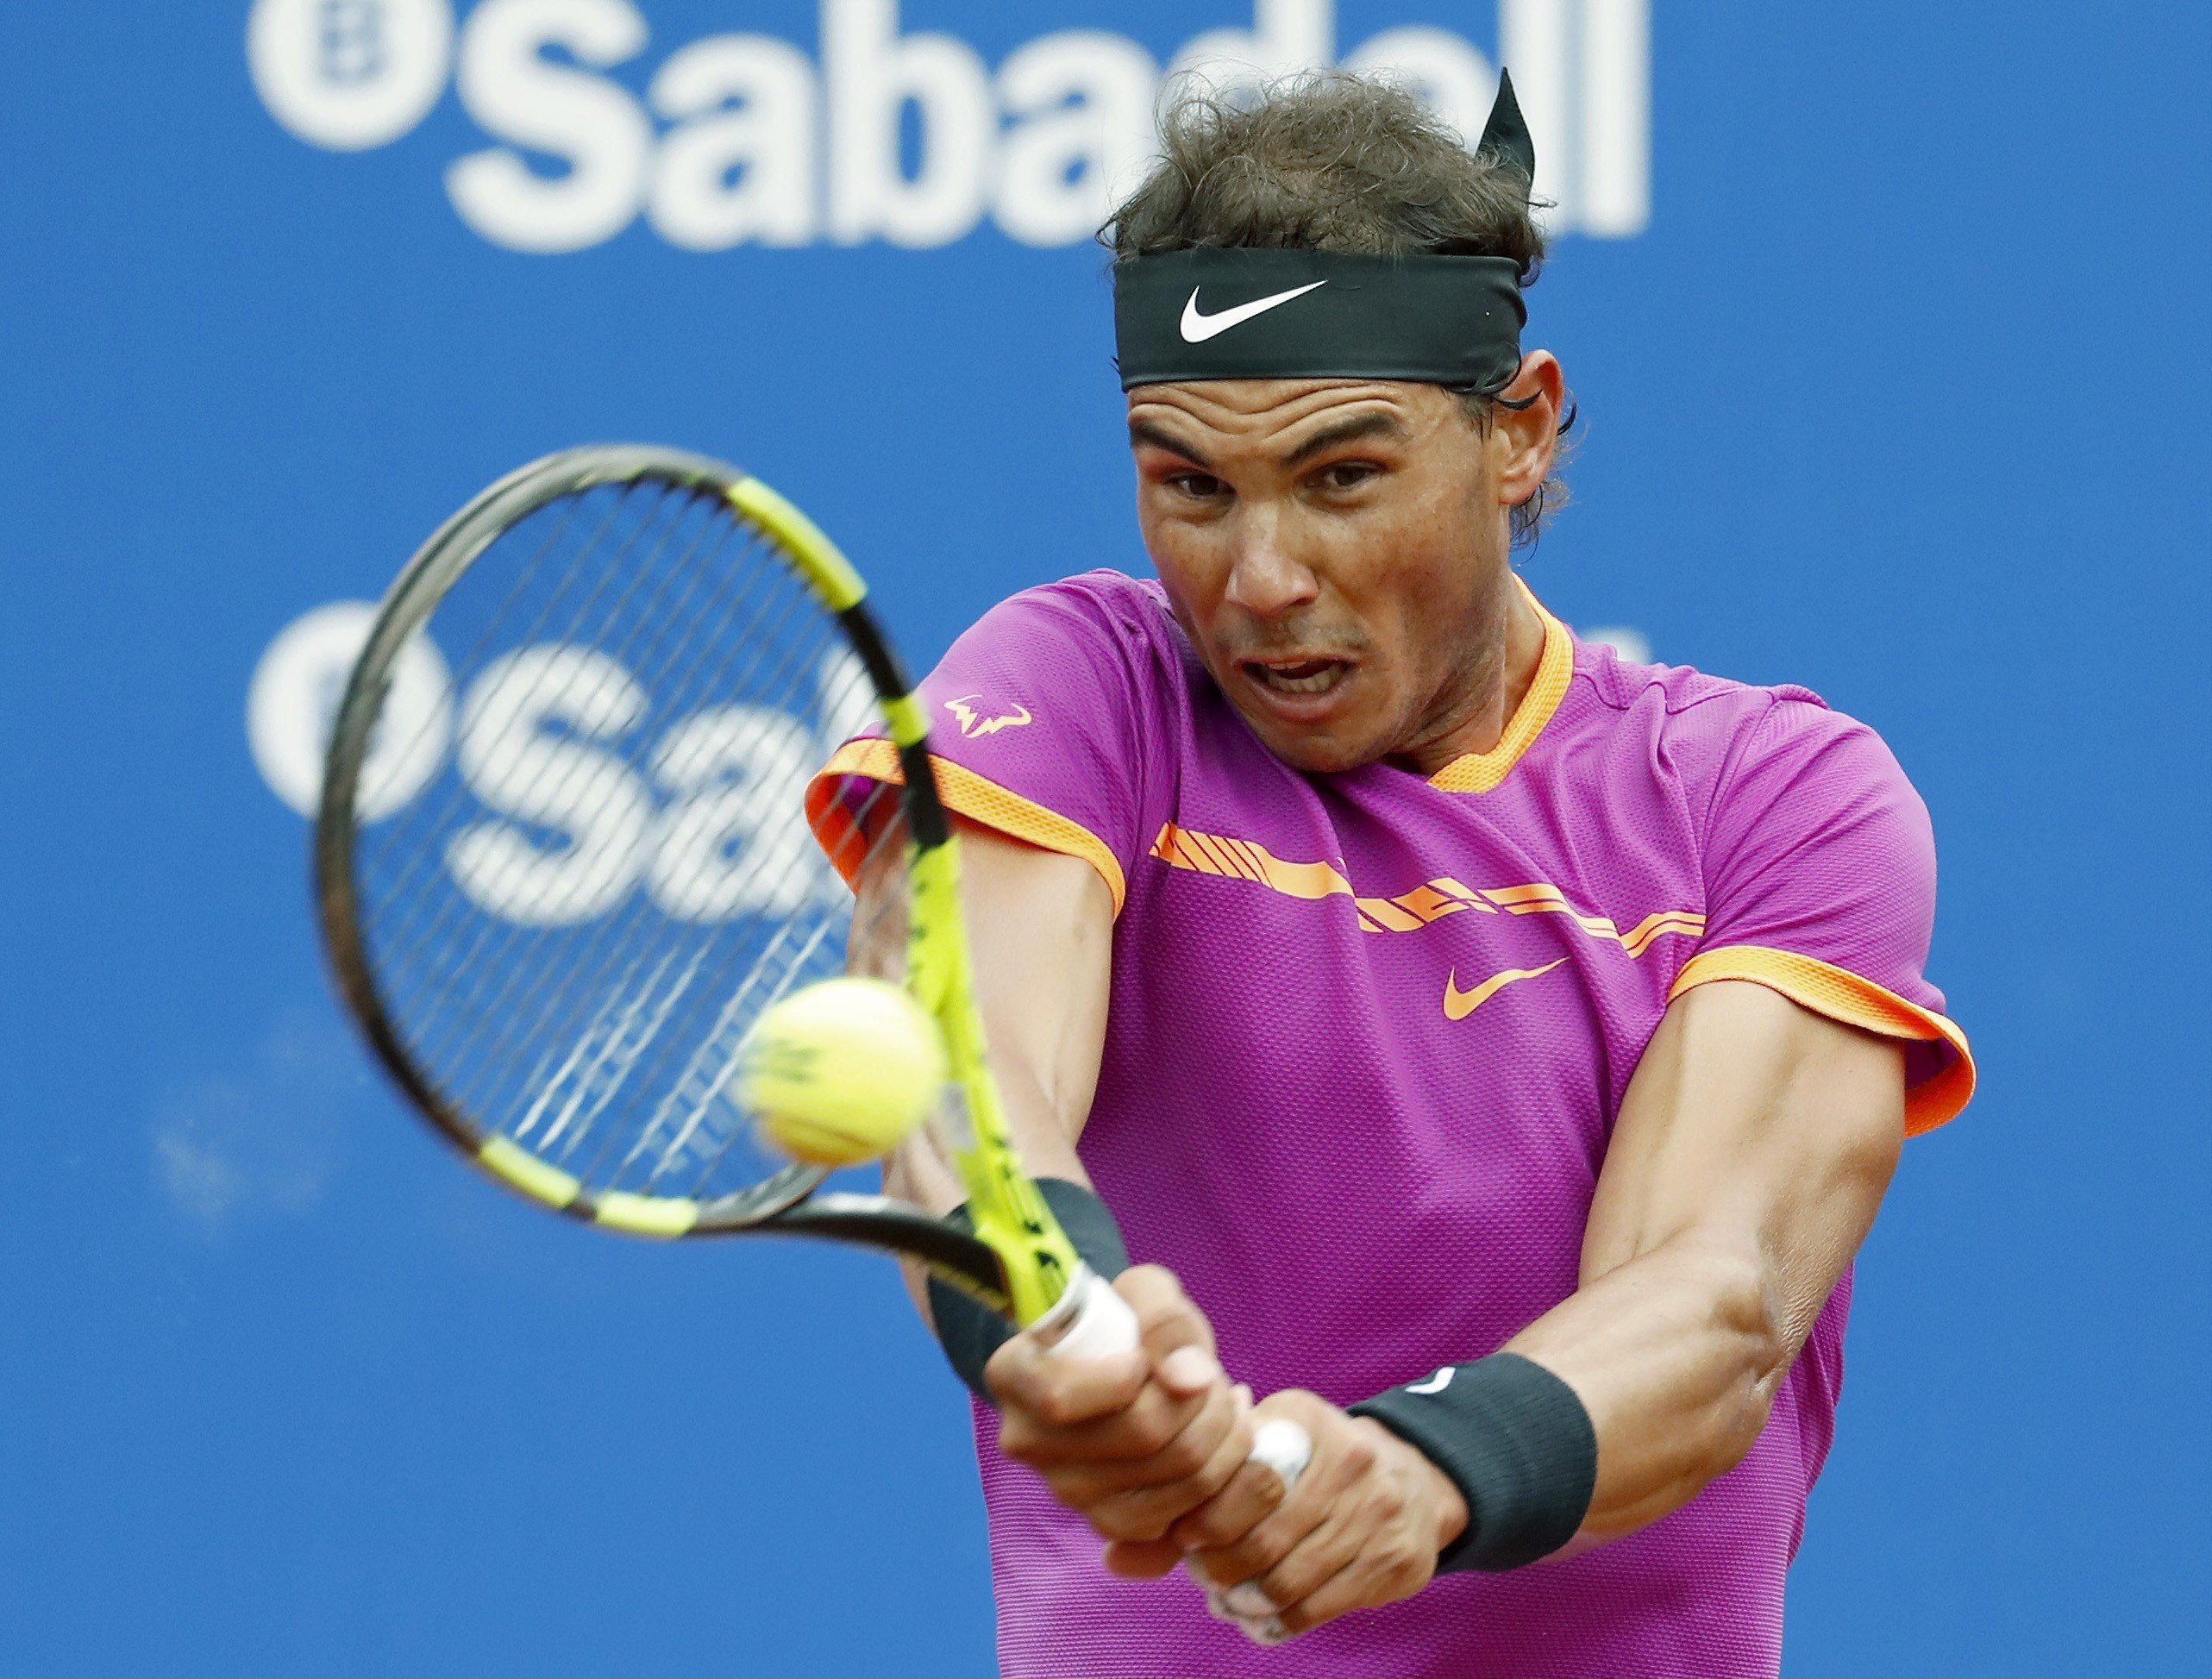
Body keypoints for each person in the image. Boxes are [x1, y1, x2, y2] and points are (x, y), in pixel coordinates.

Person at [806, 71, 1972, 1679]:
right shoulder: (1078, 690)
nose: (1262, 578)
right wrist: (1058, 1322)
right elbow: (966, 1075)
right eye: (1189, 485)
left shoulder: (1771, 799)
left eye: (1343, 477)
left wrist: (1425, 1471)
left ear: (1518, 428)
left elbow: (1710, 1305)